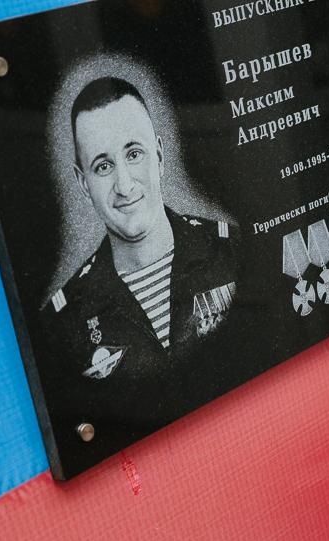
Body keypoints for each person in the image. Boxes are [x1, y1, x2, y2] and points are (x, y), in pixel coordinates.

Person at [38, 77, 238, 434]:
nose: (125, 185)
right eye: (103, 166)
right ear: (83, 183)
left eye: (134, 154)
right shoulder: (61, 325)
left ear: (158, 156)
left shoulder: (232, 250)